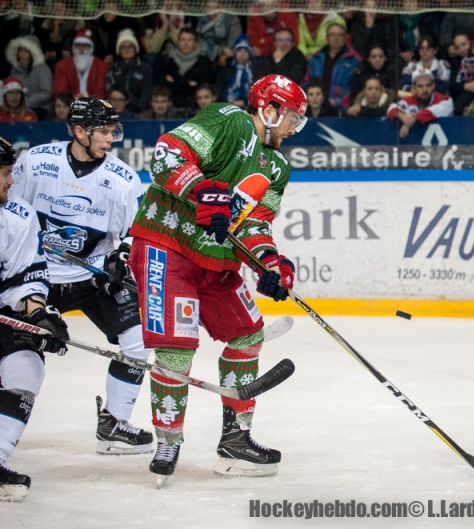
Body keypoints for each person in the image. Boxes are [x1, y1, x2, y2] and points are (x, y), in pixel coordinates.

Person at [126, 74, 308, 482]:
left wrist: (269, 265)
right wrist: (202, 191)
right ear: (270, 109)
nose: (295, 127)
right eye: (292, 117)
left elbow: (253, 223)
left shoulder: (277, 166)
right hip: (166, 246)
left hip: (216, 262)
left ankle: (235, 442)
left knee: (247, 336)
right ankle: (169, 439)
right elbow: (166, 155)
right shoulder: (228, 119)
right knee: (176, 350)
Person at [10, 97, 154, 456]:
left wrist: (123, 256)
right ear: (78, 131)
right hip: (36, 279)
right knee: (15, 352)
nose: (110, 138)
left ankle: (114, 424)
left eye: (112, 130)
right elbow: (10, 213)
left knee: (139, 340)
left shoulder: (121, 178)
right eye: (103, 131)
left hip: (92, 280)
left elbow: (137, 231)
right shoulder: (36, 163)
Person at [0, 137, 70, 502]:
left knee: (26, 366)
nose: (11, 182)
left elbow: (24, 276)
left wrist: (38, 313)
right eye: (5, 173)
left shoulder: (18, 214)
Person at [305, 23, 362, 113]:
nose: (336, 38)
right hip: (316, 109)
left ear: (345, 38)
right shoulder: (316, 58)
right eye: (332, 34)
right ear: (327, 38)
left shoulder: (354, 60)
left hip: (342, 110)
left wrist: (338, 102)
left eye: (340, 35)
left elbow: (356, 87)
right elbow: (306, 82)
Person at [159, 27, 216, 112]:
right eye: (183, 39)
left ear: (196, 43)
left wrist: (175, 83)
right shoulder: (168, 62)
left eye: (190, 40)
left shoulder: (204, 63)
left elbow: (204, 89)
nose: (186, 43)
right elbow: (163, 88)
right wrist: (188, 84)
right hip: (171, 110)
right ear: (178, 42)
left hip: (196, 109)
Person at [387, 70, 453, 139]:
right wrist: (403, 117)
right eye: (420, 86)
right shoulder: (409, 100)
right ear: (414, 88)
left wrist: (415, 117)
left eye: (428, 85)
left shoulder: (445, 100)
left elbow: (433, 111)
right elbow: (392, 108)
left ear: (433, 86)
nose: (425, 90)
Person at [105, 29, 154, 114]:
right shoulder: (112, 69)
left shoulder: (145, 69)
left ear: (136, 49)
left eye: (130, 46)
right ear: (118, 50)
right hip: (115, 112)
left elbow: (146, 95)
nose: (127, 50)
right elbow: (109, 93)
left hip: (139, 113)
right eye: (123, 47)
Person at [5, 36, 53, 120]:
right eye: (20, 51)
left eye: (26, 51)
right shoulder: (14, 70)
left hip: (40, 109)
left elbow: (47, 93)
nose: (22, 54)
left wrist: (25, 103)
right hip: (17, 108)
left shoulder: (42, 69)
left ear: (33, 53)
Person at [53, 29, 108, 99]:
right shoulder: (62, 66)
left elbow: (101, 92)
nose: (81, 49)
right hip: (69, 106)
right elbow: (60, 92)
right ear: (73, 47)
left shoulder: (102, 66)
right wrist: (73, 99)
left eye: (85, 45)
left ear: (91, 48)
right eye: (78, 45)